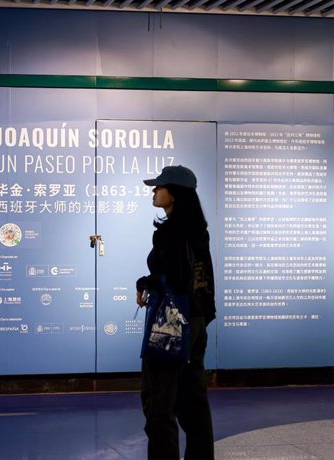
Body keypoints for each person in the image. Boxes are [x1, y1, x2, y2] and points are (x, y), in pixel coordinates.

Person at [135, 165, 216, 460]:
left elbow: (175, 277)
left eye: (159, 187)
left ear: (175, 193)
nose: (154, 191)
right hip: (195, 322)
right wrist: (203, 318)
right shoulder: (197, 230)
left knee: (159, 405)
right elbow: (202, 280)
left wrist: (145, 282)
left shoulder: (171, 232)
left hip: (169, 327)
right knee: (194, 404)